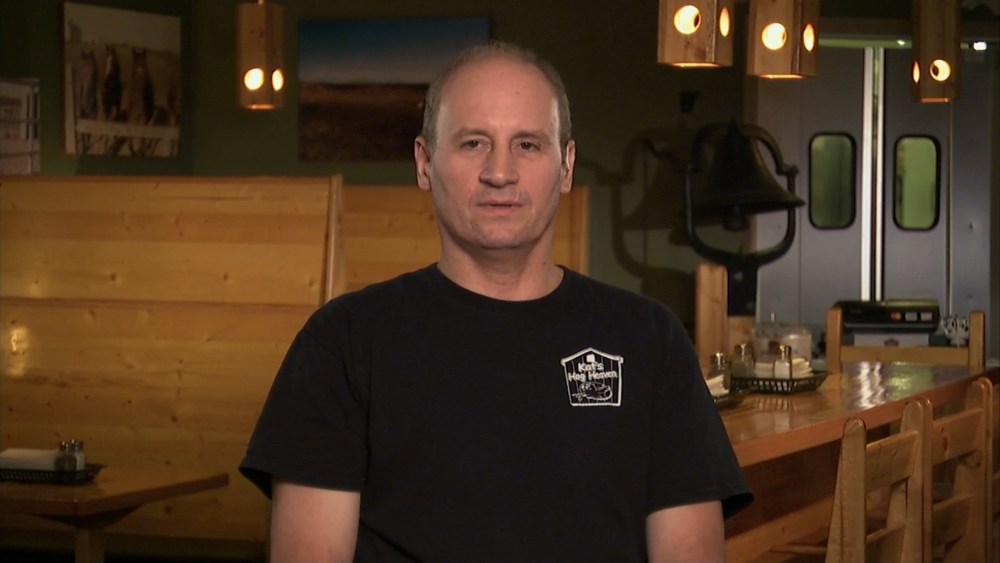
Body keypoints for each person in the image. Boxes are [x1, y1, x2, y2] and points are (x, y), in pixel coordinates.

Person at [240, 40, 752, 562]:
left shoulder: (650, 339)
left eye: (527, 144)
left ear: (567, 166)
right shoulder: (342, 342)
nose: (500, 172)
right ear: (424, 162)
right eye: (473, 143)